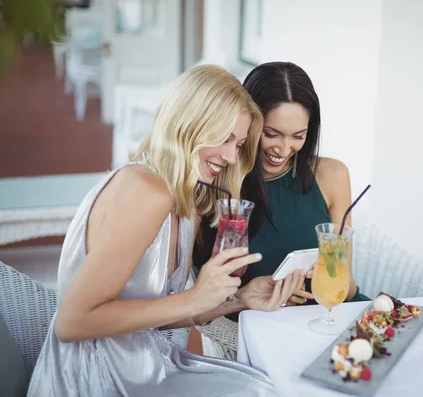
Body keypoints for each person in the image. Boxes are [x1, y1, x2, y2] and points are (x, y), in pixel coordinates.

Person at [28, 65, 303, 396]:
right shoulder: (146, 190)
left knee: (262, 385)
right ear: (189, 125)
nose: (232, 156)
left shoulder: (187, 199)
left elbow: (153, 315)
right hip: (94, 377)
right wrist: (193, 297)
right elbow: (72, 323)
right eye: (224, 138)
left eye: (240, 144)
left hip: (143, 364)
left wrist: (236, 301)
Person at [194, 62, 370, 309]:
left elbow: (348, 289)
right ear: (249, 124)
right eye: (271, 134)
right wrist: (249, 297)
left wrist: (324, 274)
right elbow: (198, 300)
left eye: (298, 136)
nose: (284, 149)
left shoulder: (332, 175)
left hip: (337, 316)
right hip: (268, 329)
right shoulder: (216, 184)